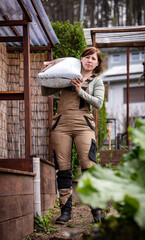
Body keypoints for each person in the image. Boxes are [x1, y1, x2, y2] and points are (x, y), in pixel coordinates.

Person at [50, 47, 105, 224]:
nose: (89, 61)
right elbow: (46, 91)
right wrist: (50, 69)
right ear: (80, 59)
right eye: (87, 57)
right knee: (63, 168)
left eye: (93, 59)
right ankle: (65, 211)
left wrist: (80, 90)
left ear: (97, 64)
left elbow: (98, 103)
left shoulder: (97, 81)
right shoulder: (66, 77)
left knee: (88, 166)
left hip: (83, 126)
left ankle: (97, 209)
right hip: (61, 125)